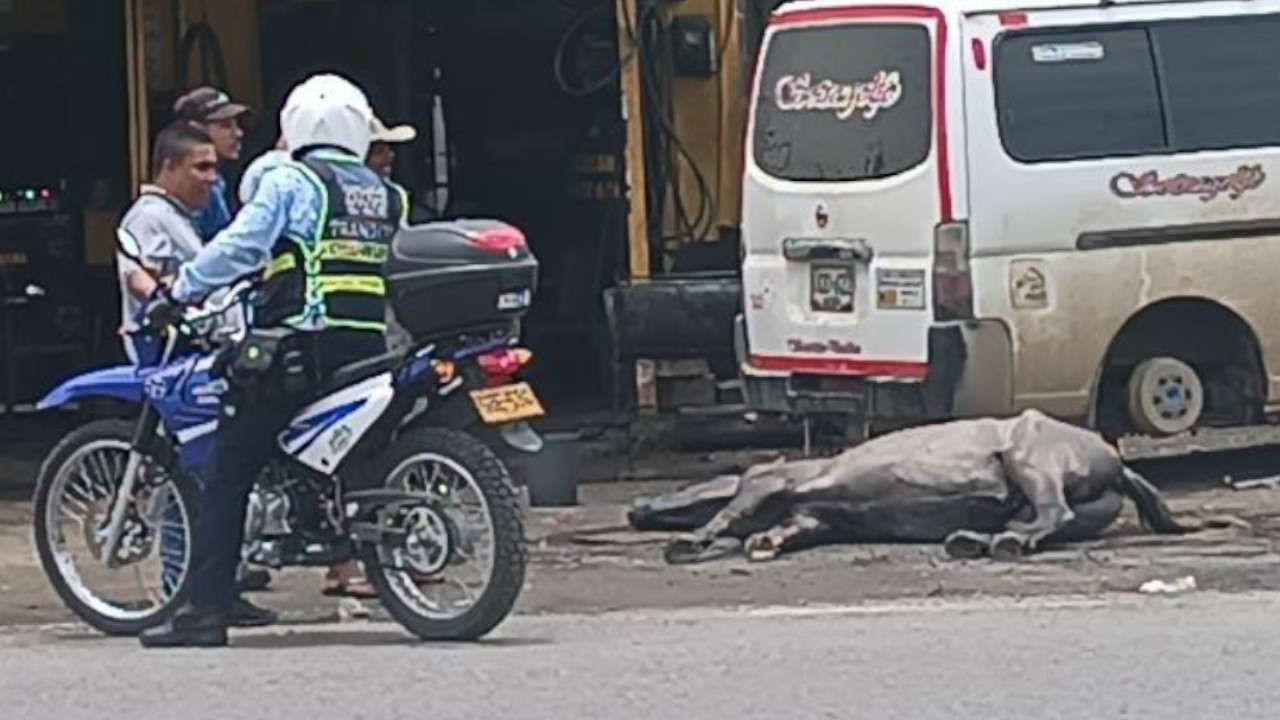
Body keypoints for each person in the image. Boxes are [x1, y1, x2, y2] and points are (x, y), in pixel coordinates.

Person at [140, 73, 409, 648]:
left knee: (229, 467)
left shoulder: (291, 179)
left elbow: (243, 245)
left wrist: (180, 288)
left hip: (298, 344)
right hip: (367, 348)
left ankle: (206, 613)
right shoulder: (387, 192)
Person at [234, 114, 418, 601]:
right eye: (379, 148)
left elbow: (241, 246)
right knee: (340, 454)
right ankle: (346, 560)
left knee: (240, 455)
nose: (386, 158)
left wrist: (187, 285)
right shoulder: (292, 178)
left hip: (318, 340)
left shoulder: (306, 184)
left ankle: (209, 603)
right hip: (359, 340)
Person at [114, 122, 277, 628]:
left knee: (214, 470)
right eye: (200, 167)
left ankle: (220, 586)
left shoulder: (185, 217)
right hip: (170, 357)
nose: (212, 177)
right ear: (169, 167)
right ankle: (181, 587)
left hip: (207, 354)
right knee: (186, 476)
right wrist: (163, 301)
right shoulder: (149, 216)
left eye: (214, 166)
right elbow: (136, 271)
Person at [173, 86, 251, 240]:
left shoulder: (218, 181)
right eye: (225, 126)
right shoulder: (193, 184)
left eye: (237, 125)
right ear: (195, 129)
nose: (238, 133)